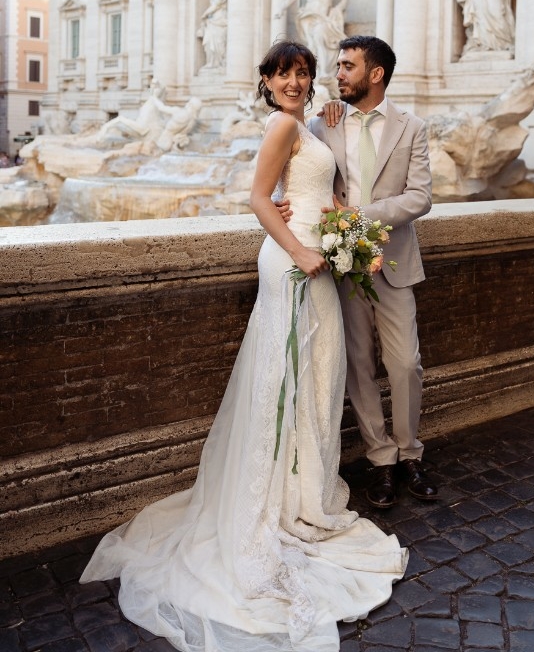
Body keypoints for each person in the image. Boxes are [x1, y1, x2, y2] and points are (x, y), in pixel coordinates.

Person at [79, 40, 407, 652]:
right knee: (285, 373)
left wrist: (349, 235)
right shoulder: (281, 124)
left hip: (316, 257)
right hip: (291, 263)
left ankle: (300, 488)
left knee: (316, 371)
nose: (295, 81)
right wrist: (304, 250)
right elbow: (259, 198)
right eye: (284, 73)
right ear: (266, 79)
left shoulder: (306, 123)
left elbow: (316, 192)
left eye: (303, 73)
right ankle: (274, 496)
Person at [307, 36, 437, 510]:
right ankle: (381, 459)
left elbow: (420, 197)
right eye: (338, 65)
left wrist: (358, 218)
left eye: (347, 66)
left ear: (375, 73)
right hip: (342, 269)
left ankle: (410, 453)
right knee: (358, 368)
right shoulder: (326, 124)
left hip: (395, 263)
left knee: (405, 364)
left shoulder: (412, 127)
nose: (337, 74)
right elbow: (299, 165)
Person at [281, 0, 347, 84]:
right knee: (312, 45)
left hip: (323, 18)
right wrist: (282, 8)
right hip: (308, 17)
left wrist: (337, 9)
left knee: (318, 37)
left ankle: (323, 73)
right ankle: (315, 73)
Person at [197, 0, 228, 70]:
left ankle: (217, 63)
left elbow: (216, 6)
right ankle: (211, 62)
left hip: (220, 19)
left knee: (219, 42)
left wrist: (205, 14)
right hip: (212, 20)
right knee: (209, 41)